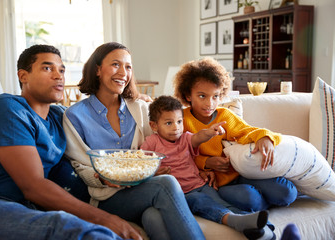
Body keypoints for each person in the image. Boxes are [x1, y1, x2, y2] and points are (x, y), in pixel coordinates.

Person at [0, 44, 142, 240]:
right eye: (48, 68)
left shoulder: (59, 116)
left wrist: (135, 102)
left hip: (31, 207)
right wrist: (105, 218)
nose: (58, 75)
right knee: (78, 230)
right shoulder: (7, 109)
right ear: (23, 76)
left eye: (61, 70)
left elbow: (91, 116)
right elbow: (33, 186)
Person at [63, 42, 205, 240]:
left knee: (152, 217)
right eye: (115, 64)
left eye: (128, 67)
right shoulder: (74, 115)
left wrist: (203, 165)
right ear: (97, 69)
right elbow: (79, 164)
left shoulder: (139, 109)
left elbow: (166, 141)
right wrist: (102, 177)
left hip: (143, 188)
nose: (123, 72)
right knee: (167, 184)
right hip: (106, 197)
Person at [173, 57, 298, 213]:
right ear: (187, 95)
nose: (209, 104)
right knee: (250, 198)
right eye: (202, 96)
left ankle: (262, 202)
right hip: (216, 184)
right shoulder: (180, 120)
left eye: (215, 96)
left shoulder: (224, 115)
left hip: (240, 173)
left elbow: (247, 131)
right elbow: (176, 155)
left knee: (288, 192)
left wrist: (264, 137)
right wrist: (206, 163)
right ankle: (260, 204)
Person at [140, 95, 275, 240]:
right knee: (201, 202)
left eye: (179, 122)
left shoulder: (185, 138)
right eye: (168, 123)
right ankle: (235, 221)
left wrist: (210, 133)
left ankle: (262, 227)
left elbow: (198, 137)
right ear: (154, 126)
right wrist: (153, 172)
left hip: (201, 184)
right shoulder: (151, 142)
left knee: (222, 203)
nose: (176, 127)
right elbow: (141, 165)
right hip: (182, 193)